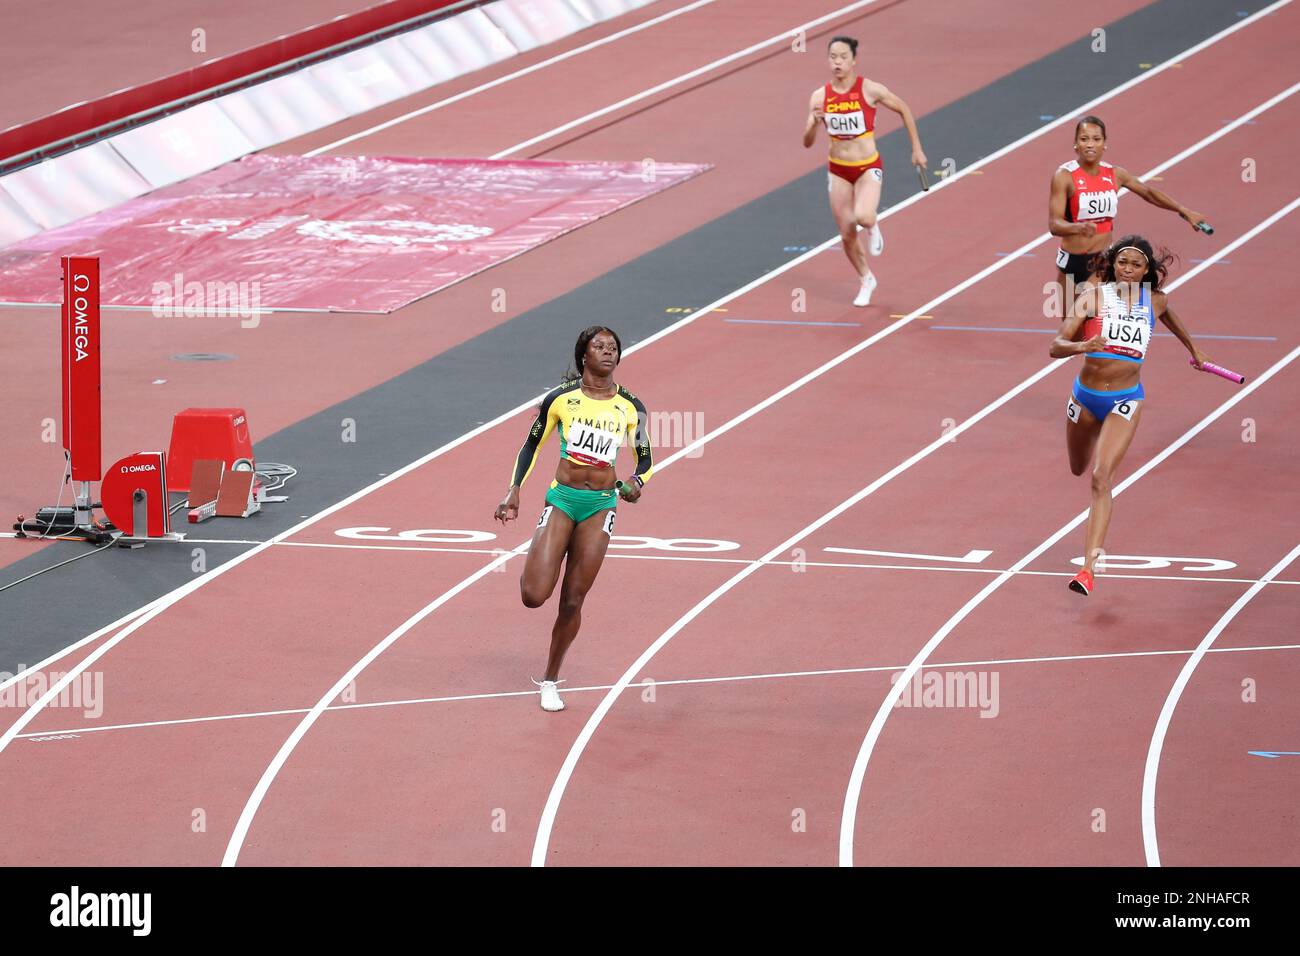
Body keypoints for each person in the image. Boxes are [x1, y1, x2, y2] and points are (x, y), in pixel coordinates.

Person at [495, 326, 654, 710]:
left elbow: (644, 457)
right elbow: (532, 443)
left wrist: (636, 481)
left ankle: (550, 679)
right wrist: (515, 488)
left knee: (572, 601)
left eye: (613, 348)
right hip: (563, 499)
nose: (608, 352)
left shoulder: (632, 407)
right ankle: (540, 559)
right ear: (584, 355)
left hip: (600, 505)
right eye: (599, 346)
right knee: (533, 596)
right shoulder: (561, 399)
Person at [1049, 235, 1210, 596]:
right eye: (1123, 263)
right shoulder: (1093, 296)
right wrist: (1082, 346)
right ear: (1113, 264)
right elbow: (1055, 346)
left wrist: (1195, 349)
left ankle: (1087, 569)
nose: (1128, 269)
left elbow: (1169, 316)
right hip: (1086, 399)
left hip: (1126, 400)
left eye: (1136, 265)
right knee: (1078, 466)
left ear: (1147, 270)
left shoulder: (1155, 300)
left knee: (1100, 477)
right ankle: (1088, 438)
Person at [803, 35, 926, 307]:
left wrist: (916, 149)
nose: (837, 62)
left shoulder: (869, 89)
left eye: (843, 57)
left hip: (868, 166)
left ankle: (873, 224)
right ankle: (866, 278)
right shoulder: (820, 97)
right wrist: (815, 122)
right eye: (833, 57)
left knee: (863, 215)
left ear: (854, 60)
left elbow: (903, 108)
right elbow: (807, 142)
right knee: (846, 233)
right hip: (838, 170)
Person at [1048, 115, 1208, 317]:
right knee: (1069, 329)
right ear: (1075, 144)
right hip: (1070, 262)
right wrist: (1077, 228)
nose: (1090, 144)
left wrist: (1182, 210)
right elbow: (1054, 225)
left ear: (1104, 144)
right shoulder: (1064, 176)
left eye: (1096, 139)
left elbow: (1148, 193)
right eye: (1084, 139)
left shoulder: (1115, 174)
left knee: (1091, 318)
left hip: (1101, 262)